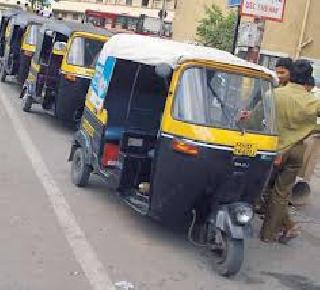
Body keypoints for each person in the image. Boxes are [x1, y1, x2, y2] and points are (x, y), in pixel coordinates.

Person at [261, 59, 320, 243]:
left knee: (263, 187)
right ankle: (269, 235)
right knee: (281, 193)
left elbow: (255, 119)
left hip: (274, 147)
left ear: (291, 74)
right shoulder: (314, 101)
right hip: (297, 150)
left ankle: (281, 228)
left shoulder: (275, 95)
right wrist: (311, 130)